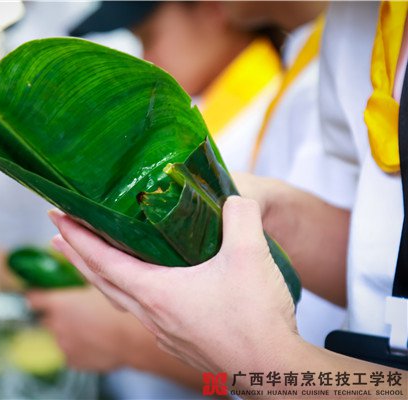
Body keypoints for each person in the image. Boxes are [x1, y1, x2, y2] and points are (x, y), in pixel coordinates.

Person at [47, 1, 408, 395]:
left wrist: (261, 364)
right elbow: (374, 263)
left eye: (149, 38)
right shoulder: (351, 25)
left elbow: (309, 328)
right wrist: (267, 214)